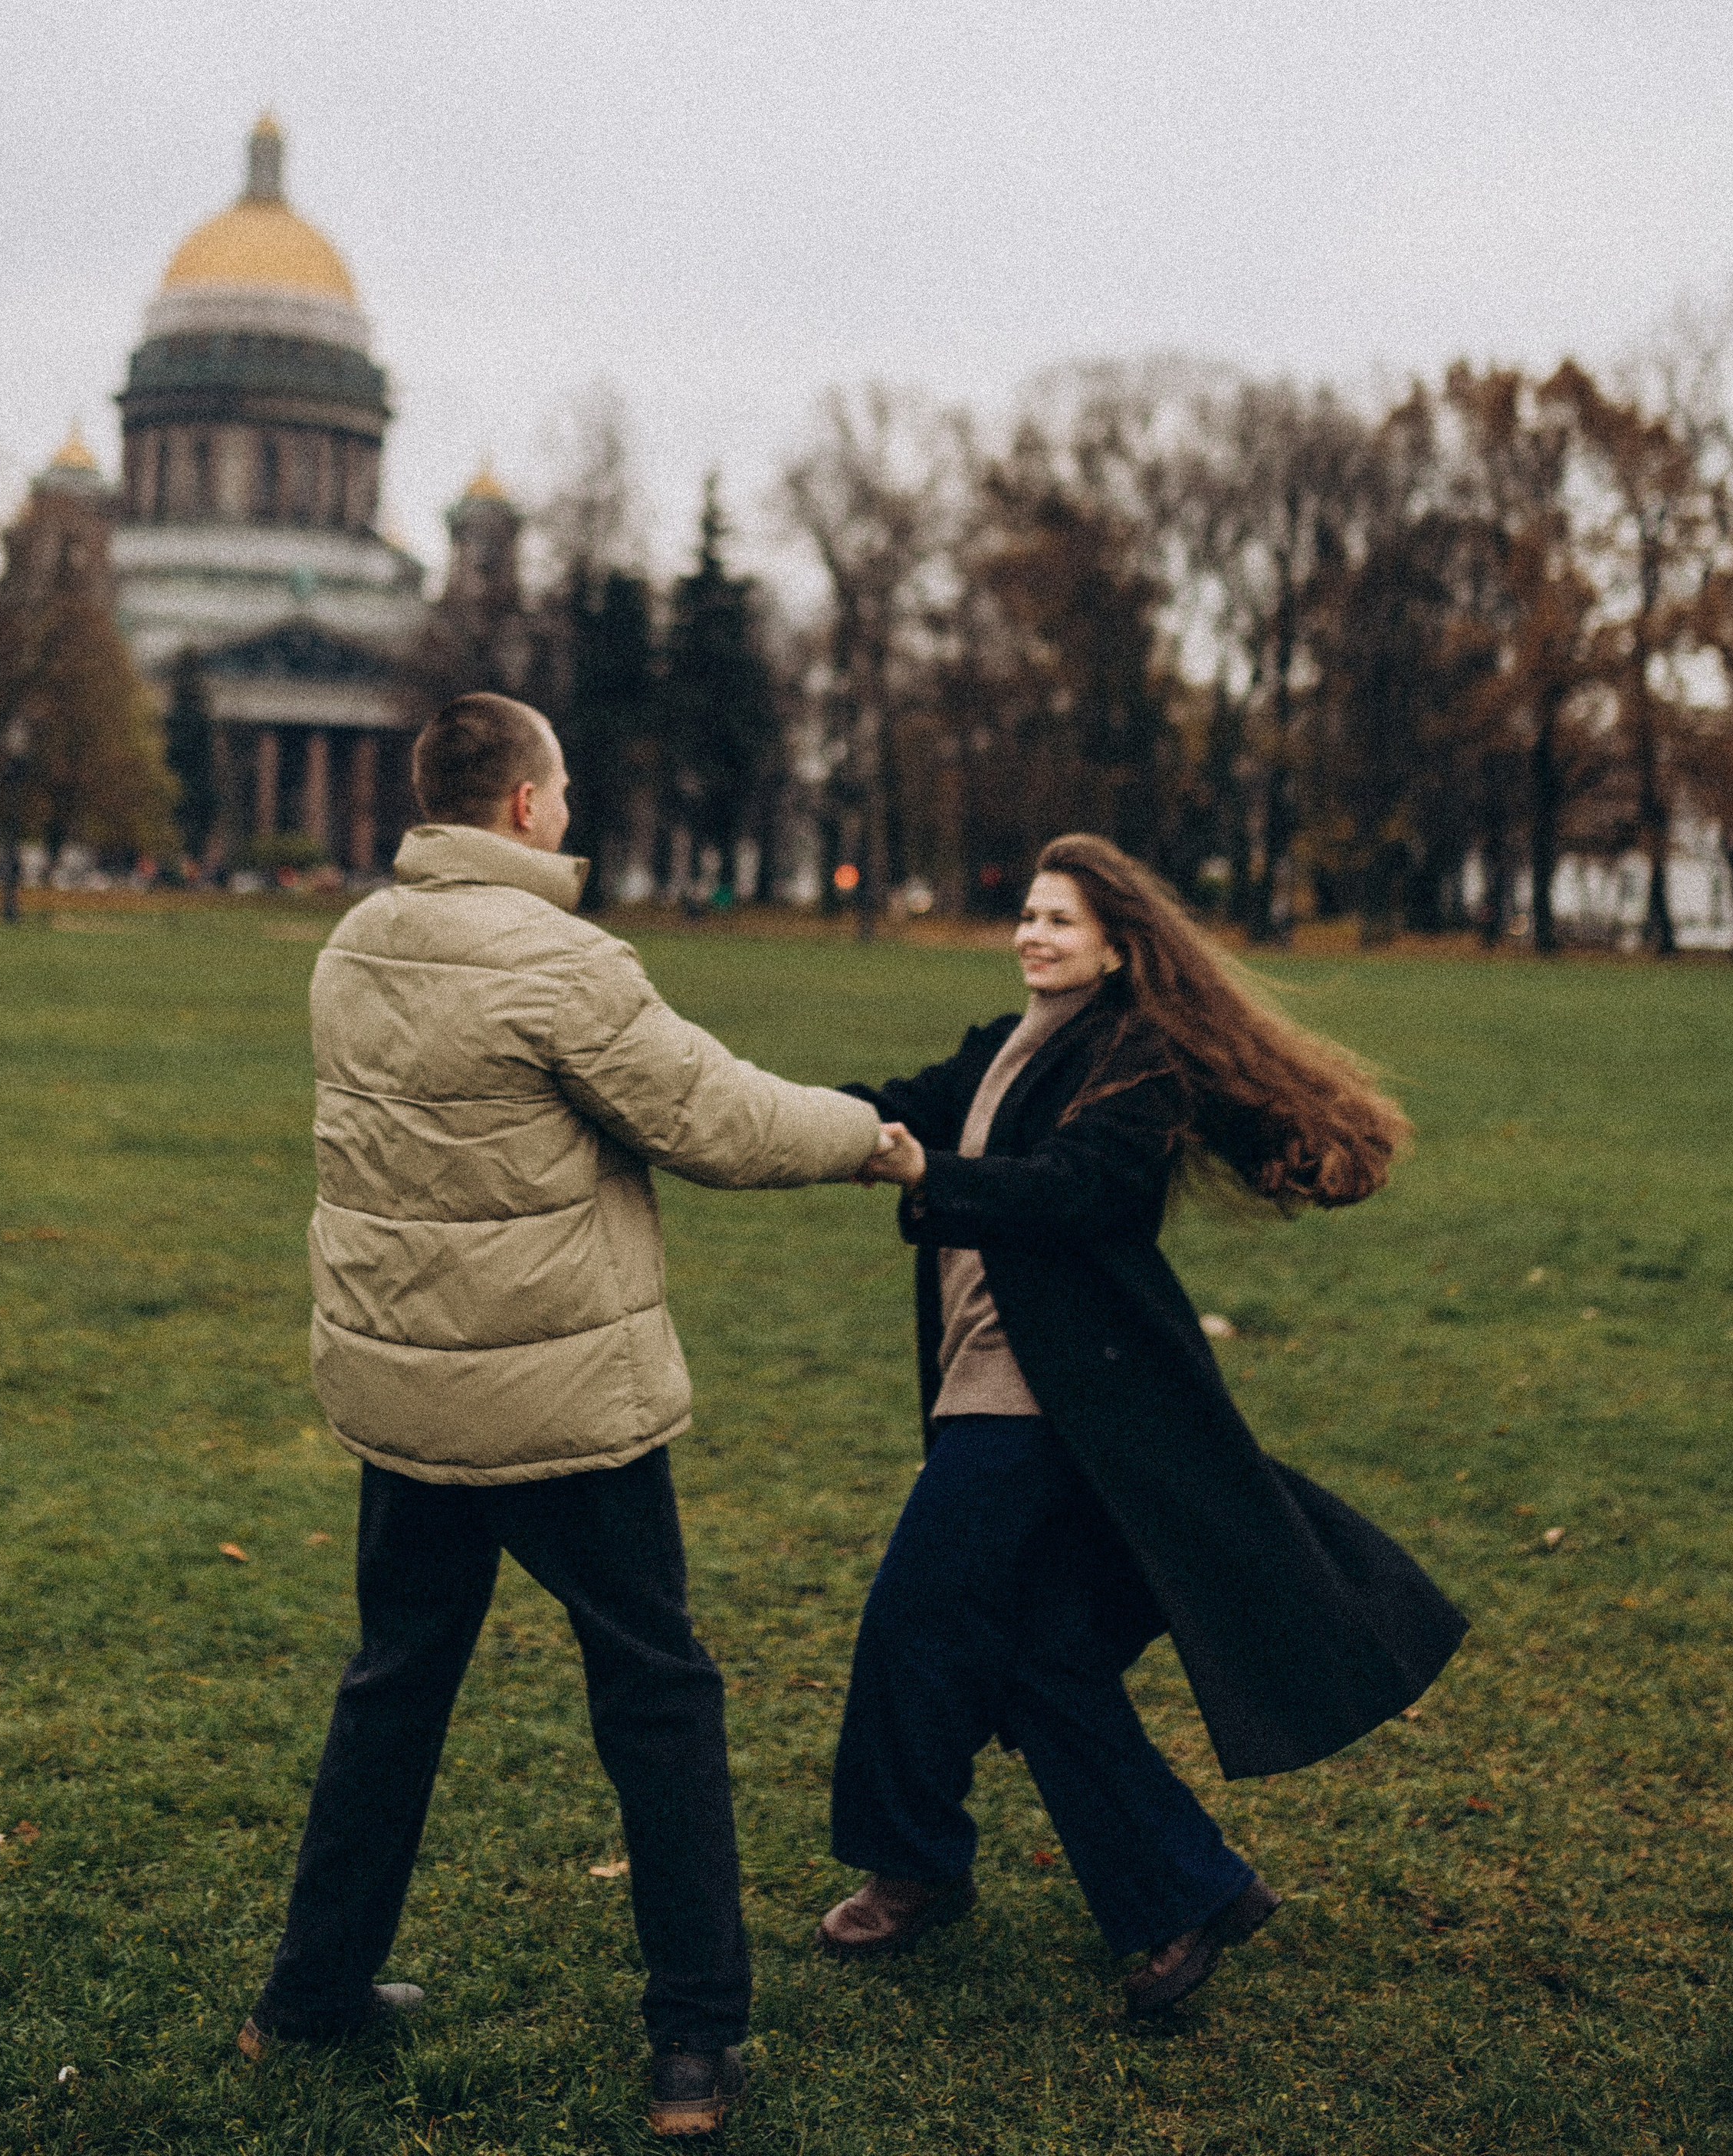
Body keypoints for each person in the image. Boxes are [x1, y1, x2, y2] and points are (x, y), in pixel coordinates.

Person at [238, 692, 885, 2139]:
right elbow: (722, 1122)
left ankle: (308, 1997)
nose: (572, 811)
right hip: (557, 1403)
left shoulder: (354, 946)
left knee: (393, 1687)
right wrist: (872, 1135)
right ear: (527, 805)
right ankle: (694, 2047)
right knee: (658, 1698)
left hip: (406, 1393)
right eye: (567, 790)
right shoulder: (563, 963)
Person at [819, 833, 1466, 2020]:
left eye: (1060, 921)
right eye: (1026, 912)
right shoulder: (1007, 1046)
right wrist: (733, 1108)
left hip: (1050, 1401)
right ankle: (1189, 1893)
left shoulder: (1137, 1057)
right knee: (1042, 1654)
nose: (1033, 935)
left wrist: (929, 1179)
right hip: (999, 1388)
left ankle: (909, 1864)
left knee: (917, 1617)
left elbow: (1082, 1193)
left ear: (1119, 945)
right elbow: (890, 1107)